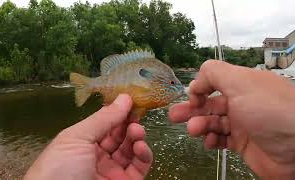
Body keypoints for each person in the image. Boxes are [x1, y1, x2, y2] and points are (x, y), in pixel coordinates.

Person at [24, 60, 295, 180]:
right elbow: (133, 92)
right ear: (161, 82)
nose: (178, 88)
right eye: (173, 84)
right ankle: (88, 85)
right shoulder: (147, 87)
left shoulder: (160, 88)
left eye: (178, 83)